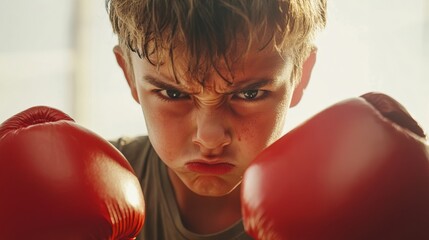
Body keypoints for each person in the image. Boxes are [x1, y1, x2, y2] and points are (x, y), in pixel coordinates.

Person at [106, 0, 327, 239]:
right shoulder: (96, 184)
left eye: (248, 94)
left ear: (301, 75)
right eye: (174, 94)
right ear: (129, 74)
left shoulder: (331, 204)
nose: (209, 139)